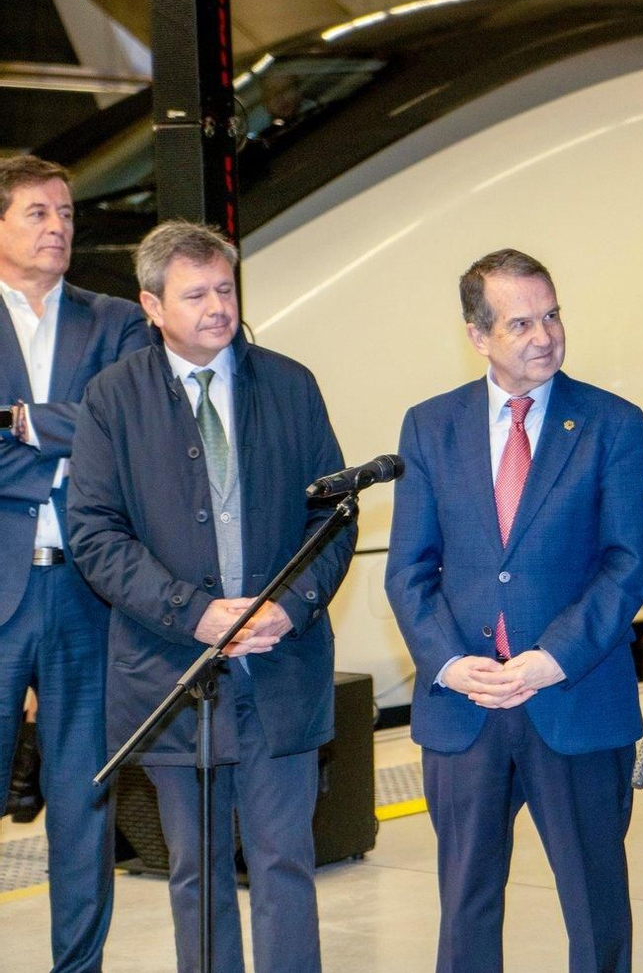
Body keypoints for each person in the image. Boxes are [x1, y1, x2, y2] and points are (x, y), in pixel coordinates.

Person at [67, 220, 355, 973]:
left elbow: (334, 514)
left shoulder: (289, 384)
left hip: (279, 668)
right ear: (151, 306)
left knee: (285, 864)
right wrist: (191, 613)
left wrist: (290, 604)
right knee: (196, 876)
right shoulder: (112, 399)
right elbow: (94, 533)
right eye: (195, 295)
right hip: (172, 676)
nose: (218, 307)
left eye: (225, 289)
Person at [386, 248, 643, 973]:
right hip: (465, 708)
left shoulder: (612, 423)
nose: (545, 335)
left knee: (596, 910)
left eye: (552, 315)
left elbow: (625, 565)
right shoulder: (430, 427)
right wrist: (450, 663)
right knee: (465, 910)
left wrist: (551, 658)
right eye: (521, 323)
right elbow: (409, 570)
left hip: (573, 696)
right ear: (478, 336)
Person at [0, 154, 143, 972]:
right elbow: (94, 431)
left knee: (84, 802)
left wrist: (21, 422)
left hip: (89, 592)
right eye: (37, 212)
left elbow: (127, 426)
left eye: (65, 213)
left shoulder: (114, 319)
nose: (58, 226)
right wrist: (70, 439)